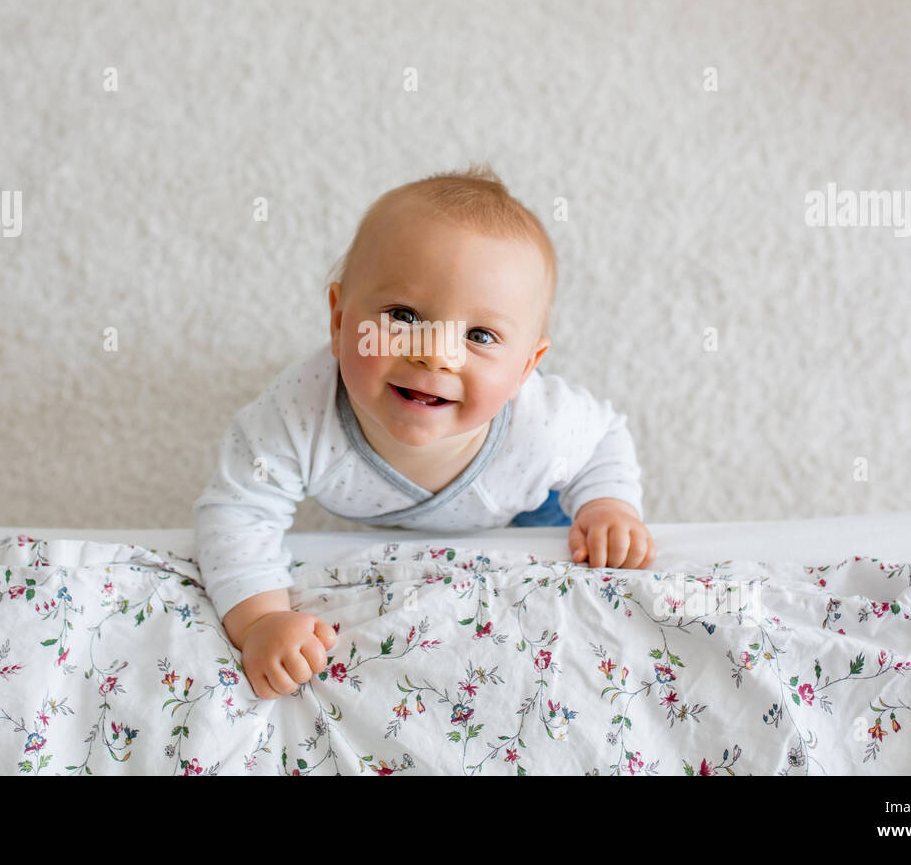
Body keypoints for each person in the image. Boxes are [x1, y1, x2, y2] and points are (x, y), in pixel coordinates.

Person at [193, 163, 653, 699]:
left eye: (480, 334)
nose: (436, 353)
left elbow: (603, 438)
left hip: (518, 508)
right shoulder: (299, 414)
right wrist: (259, 621)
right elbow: (237, 511)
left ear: (527, 366)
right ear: (340, 322)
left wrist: (607, 506)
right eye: (404, 316)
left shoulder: (541, 427)